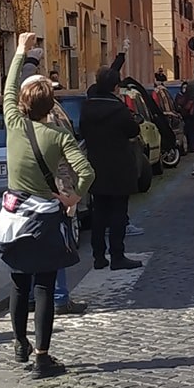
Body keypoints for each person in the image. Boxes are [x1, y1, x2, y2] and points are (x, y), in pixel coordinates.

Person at [3, 33, 93, 376]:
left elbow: (9, 88)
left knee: (18, 283)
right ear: (50, 105)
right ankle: (42, 356)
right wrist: (73, 196)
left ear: (23, 103)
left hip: (14, 215)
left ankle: (19, 343)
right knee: (44, 285)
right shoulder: (58, 136)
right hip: (45, 216)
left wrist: (20, 51)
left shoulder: (13, 124)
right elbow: (86, 171)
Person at [78, 65, 145, 270]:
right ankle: (117, 255)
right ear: (115, 87)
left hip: (96, 164)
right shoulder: (119, 109)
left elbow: (82, 131)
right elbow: (132, 130)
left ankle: (98, 256)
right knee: (118, 213)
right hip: (119, 167)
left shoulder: (87, 108)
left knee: (99, 212)